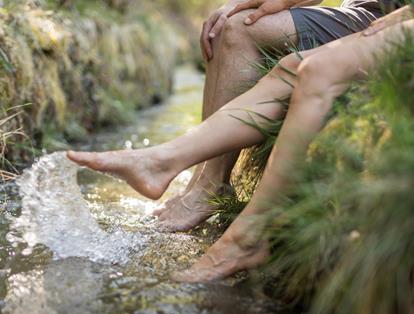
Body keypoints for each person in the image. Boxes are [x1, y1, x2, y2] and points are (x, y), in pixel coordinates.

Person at [67, 6, 413, 282]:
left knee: (314, 70)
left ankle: (249, 233)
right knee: (272, 52)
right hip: (371, 11)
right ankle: (176, 169)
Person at [153, 0, 401, 232]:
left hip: (388, 22)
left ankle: (211, 186)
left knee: (240, 29)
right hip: (362, 12)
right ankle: (200, 181)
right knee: (227, 24)